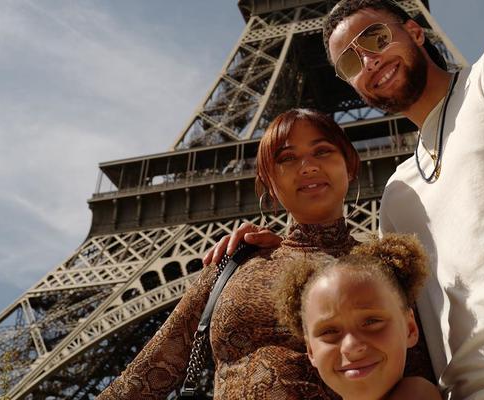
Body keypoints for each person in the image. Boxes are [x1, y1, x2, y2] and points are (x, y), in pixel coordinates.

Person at [210, 0, 484, 398]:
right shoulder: (398, 193)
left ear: (414, 31)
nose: (369, 60)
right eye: (349, 62)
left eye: (376, 37)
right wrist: (287, 253)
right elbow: (382, 315)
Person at [98, 108, 434, 399]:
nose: (308, 166)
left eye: (323, 151)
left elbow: (420, 378)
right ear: (268, 183)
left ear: (350, 166)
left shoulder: (381, 272)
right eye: (287, 158)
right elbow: (149, 371)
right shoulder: (236, 260)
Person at [274, 233, 442, 400]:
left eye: (372, 321)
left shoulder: (417, 393)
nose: (351, 346)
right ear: (311, 351)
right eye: (329, 331)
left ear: (410, 329)